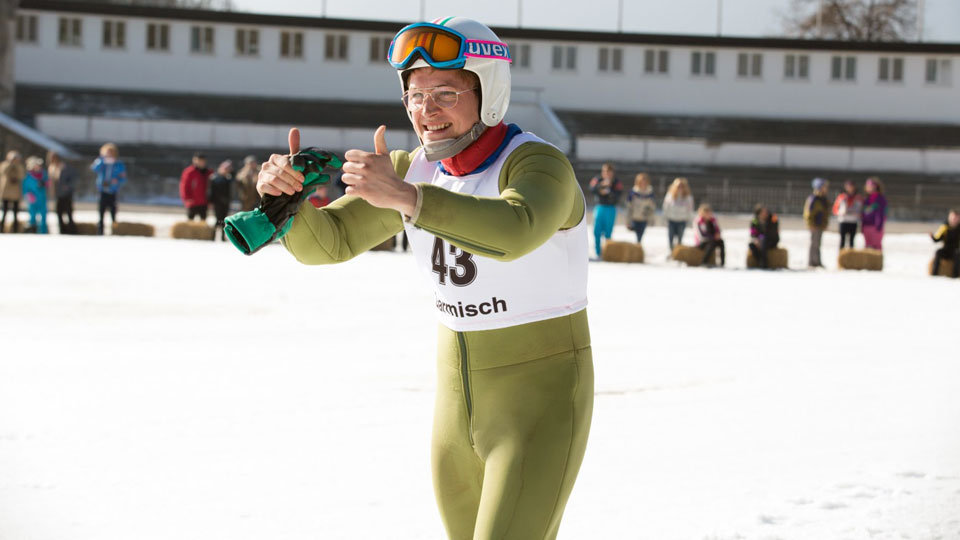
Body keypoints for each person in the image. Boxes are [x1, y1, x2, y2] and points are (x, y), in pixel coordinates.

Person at [257, 17, 592, 540]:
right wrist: (287, 202)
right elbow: (331, 243)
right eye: (413, 95)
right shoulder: (413, 169)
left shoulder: (537, 165)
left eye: (444, 92)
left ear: (489, 91)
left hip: (539, 401)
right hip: (455, 407)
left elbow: (516, 231)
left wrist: (409, 199)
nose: (424, 111)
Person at [91, 142, 127, 235]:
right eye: (107, 152)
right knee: (101, 210)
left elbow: (123, 178)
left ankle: (114, 229)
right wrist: (102, 160)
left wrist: (117, 181)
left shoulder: (118, 164)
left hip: (113, 190)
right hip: (103, 189)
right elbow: (94, 168)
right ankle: (100, 230)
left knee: (113, 210)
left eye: (110, 152)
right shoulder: (102, 162)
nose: (109, 154)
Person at [588, 162, 622, 258]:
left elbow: (619, 194)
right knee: (596, 230)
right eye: (605, 171)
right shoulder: (598, 179)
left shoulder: (616, 182)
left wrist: (610, 191)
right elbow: (591, 188)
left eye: (609, 172)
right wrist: (600, 186)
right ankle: (598, 252)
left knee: (608, 232)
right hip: (600, 207)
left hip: (610, 208)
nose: (606, 174)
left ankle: (607, 252)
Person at [48, 151, 77, 234]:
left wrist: (67, 186)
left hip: (67, 194)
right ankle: (62, 230)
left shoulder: (65, 167)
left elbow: (73, 178)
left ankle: (72, 230)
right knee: (59, 212)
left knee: (69, 212)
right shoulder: (52, 168)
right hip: (58, 194)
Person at [662, 177, 694, 251]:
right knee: (670, 238)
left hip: (682, 221)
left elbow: (690, 210)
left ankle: (678, 253)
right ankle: (671, 252)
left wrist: (689, 220)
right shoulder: (670, 196)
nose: (680, 188)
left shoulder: (688, 198)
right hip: (671, 220)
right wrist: (664, 218)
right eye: (678, 186)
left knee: (680, 239)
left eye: (682, 186)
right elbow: (665, 207)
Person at [804, 177, 830, 268]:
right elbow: (808, 213)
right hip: (814, 225)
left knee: (818, 243)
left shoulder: (823, 199)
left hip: (820, 224)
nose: (826, 188)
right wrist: (810, 224)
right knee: (814, 243)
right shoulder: (814, 199)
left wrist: (825, 223)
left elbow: (826, 213)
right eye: (824, 186)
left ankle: (817, 261)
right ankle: (812, 261)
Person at [625, 172, 656, 243]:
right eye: (641, 182)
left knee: (640, 236)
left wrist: (651, 218)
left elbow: (652, 207)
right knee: (633, 236)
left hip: (644, 218)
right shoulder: (633, 192)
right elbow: (629, 207)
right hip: (634, 217)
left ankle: (638, 249)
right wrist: (628, 220)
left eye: (644, 182)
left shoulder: (649, 193)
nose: (643, 183)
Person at [180, 151, 211, 220]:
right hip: (192, 201)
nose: (201, 162)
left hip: (204, 201)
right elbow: (184, 186)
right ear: (194, 160)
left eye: (202, 161)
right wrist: (187, 198)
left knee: (203, 220)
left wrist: (211, 200)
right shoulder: (189, 172)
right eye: (199, 160)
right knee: (190, 220)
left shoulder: (208, 172)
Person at [209, 159, 235, 241]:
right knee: (218, 220)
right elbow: (211, 191)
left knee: (224, 221)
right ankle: (212, 236)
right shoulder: (215, 178)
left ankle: (222, 237)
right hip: (217, 202)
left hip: (225, 202)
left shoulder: (228, 178)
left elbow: (234, 179)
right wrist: (211, 202)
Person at [22, 156, 49, 234]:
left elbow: (48, 183)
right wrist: (29, 195)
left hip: (42, 198)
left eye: (39, 166)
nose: (38, 167)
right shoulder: (28, 176)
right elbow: (25, 188)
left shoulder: (44, 175)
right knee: (32, 215)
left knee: (43, 215)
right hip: (33, 199)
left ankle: (43, 232)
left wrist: (45, 184)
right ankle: (32, 230)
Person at [749, 204, 780, 269]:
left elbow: (773, 232)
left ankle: (764, 263)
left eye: (766, 212)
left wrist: (761, 238)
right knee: (751, 245)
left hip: (772, 240)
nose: (765, 214)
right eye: (763, 212)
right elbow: (753, 233)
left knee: (764, 242)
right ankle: (759, 261)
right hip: (759, 241)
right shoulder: (755, 221)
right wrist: (756, 239)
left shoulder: (772, 219)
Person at [930, 209, 960, 278]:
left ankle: (955, 275)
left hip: (955, 250)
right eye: (953, 218)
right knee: (938, 252)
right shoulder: (944, 227)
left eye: (956, 218)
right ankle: (934, 274)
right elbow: (937, 239)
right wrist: (932, 237)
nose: (954, 220)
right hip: (946, 250)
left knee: (957, 255)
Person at [832, 180, 862, 249]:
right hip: (843, 221)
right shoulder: (841, 197)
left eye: (851, 186)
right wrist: (841, 212)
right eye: (848, 186)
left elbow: (862, 210)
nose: (850, 188)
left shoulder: (858, 197)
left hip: (853, 221)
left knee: (852, 241)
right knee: (842, 240)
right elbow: (835, 209)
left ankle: (851, 257)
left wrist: (858, 214)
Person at [0, 150, 25, 233]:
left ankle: (15, 230)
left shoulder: (19, 166)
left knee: (15, 213)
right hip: (6, 192)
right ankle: (2, 229)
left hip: (15, 193)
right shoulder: (4, 164)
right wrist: (10, 163)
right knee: (4, 212)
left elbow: (22, 175)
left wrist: (16, 165)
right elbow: (4, 172)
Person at [861, 177, 888, 251]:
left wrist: (879, 225)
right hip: (867, 225)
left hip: (875, 227)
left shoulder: (880, 199)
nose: (867, 188)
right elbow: (864, 213)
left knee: (876, 246)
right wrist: (863, 225)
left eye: (869, 186)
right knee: (867, 246)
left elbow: (881, 213)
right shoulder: (867, 199)